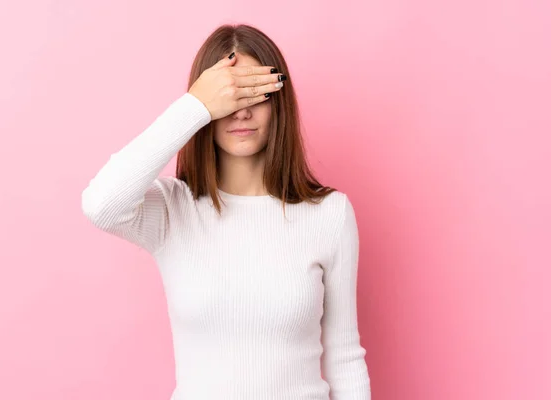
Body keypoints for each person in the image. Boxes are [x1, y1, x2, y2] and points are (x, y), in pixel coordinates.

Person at [81, 23, 371, 400]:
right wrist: (194, 107)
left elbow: (345, 358)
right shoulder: (173, 210)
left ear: (278, 102)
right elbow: (101, 204)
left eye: (256, 92)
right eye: (229, 96)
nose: (242, 111)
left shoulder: (329, 214)